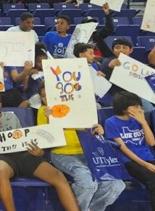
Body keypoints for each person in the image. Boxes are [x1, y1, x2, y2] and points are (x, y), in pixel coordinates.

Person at [0, 91, 79, 211]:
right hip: (0, 157)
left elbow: (23, 138)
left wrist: (39, 152)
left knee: (57, 175)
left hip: (21, 154)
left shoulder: (11, 116)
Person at [38, 81, 125, 211]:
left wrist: (99, 130)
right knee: (87, 183)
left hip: (87, 152)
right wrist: (50, 120)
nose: (46, 99)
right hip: (62, 153)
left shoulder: (80, 109)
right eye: (43, 96)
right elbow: (46, 139)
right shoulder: (43, 112)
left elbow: (93, 131)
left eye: (49, 95)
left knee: (116, 184)